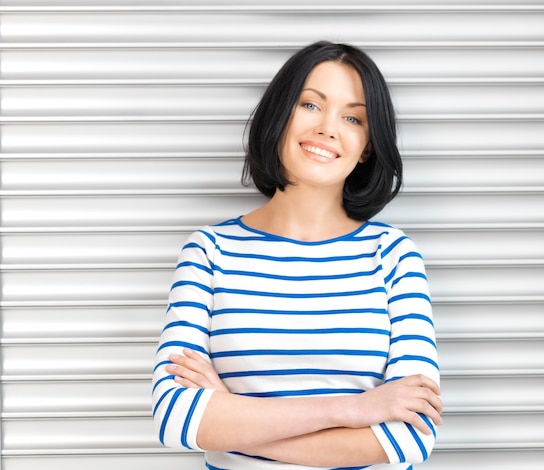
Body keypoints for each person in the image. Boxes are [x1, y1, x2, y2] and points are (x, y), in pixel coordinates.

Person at [152, 40, 442, 469]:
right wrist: (353, 409)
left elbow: (409, 439)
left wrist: (230, 415)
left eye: (352, 117)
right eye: (310, 105)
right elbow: (175, 420)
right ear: (279, 115)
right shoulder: (210, 251)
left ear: (366, 147)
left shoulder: (393, 255)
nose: (328, 127)